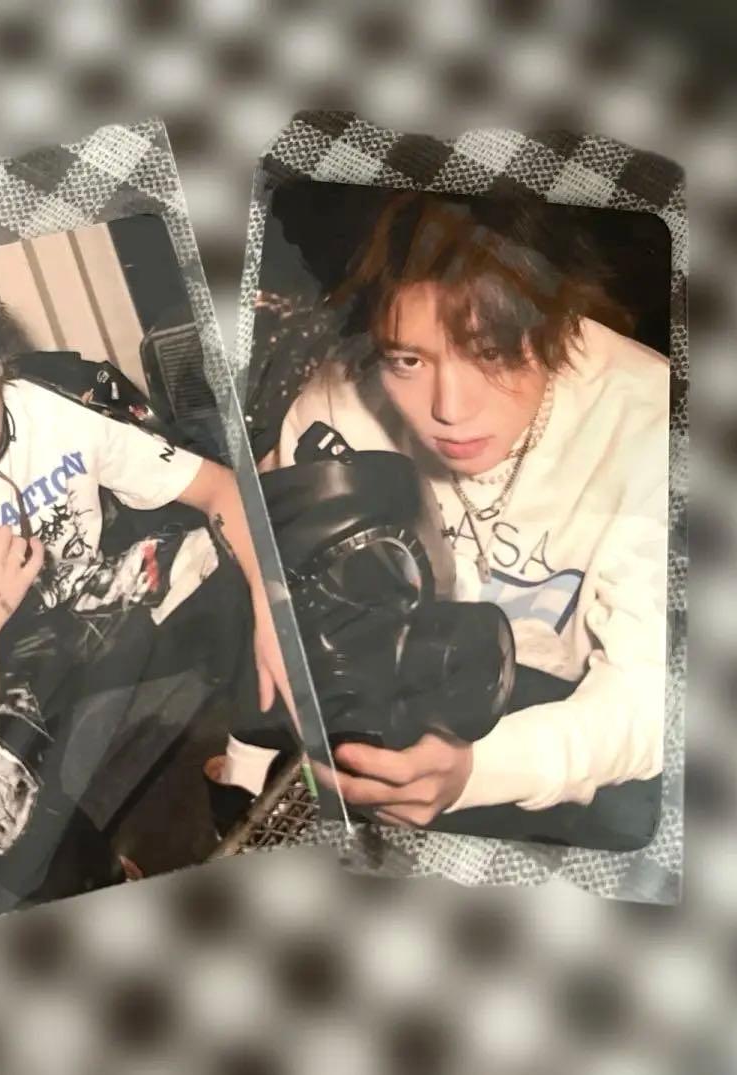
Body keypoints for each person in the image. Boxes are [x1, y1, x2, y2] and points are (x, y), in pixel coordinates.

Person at [0, 270, 289, 921]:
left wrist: (272, 609)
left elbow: (221, 489)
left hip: (90, 604)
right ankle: (101, 884)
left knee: (277, 540)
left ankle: (246, 769)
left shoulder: (47, 408)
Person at [268, 192, 669, 830]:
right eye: (408, 360)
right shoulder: (337, 403)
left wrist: (480, 771)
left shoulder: (655, 424)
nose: (449, 411)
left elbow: (657, 695)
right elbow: (285, 594)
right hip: (397, 699)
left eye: (491, 353)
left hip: (568, 732)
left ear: (558, 321)